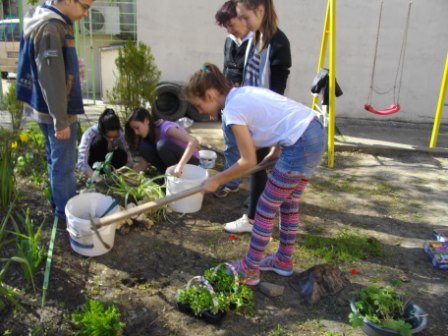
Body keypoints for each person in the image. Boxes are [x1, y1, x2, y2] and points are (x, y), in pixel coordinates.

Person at [184, 63, 326, 285]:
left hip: (301, 143)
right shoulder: (243, 93)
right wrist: (276, 151)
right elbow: (279, 115)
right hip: (314, 132)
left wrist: (216, 179)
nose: (199, 111)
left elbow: (248, 160)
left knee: (265, 207)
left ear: (210, 95)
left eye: (198, 105)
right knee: (288, 203)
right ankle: (283, 261)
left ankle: (249, 269)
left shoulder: (232, 111)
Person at [16, 0, 94, 221]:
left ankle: (60, 202)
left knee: (55, 160)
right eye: (85, 7)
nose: (86, 14)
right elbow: (51, 79)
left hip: (46, 109)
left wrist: (71, 69)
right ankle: (67, 213)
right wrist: (61, 121)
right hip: (58, 113)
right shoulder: (51, 27)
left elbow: (52, 69)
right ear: (68, 0)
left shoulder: (48, 22)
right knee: (64, 165)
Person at [224, 0, 292, 233]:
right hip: (252, 113)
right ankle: (259, 211)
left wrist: (274, 137)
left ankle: (254, 219)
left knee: (258, 163)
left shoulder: (279, 43)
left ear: (260, 11)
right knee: (259, 166)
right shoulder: (255, 38)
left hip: (265, 117)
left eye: (244, 17)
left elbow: (277, 95)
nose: (242, 23)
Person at [213, 0, 253, 199]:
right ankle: (232, 182)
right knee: (230, 144)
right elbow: (226, 68)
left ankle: (257, 193)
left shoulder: (256, 42)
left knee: (255, 149)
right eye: (226, 26)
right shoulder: (230, 39)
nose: (229, 29)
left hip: (250, 105)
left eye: (231, 24)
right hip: (230, 102)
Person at [126, 107, 200, 177]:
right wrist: (126, 173)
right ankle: (167, 176)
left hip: (190, 160)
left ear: (146, 121)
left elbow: (193, 141)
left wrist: (180, 166)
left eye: (137, 128)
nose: (136, 132)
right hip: (174, 165)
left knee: (162, 145)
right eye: (133, 129)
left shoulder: (166, 128)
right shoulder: (148, 137)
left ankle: (175, 177)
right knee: (143, 147)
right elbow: (143, 165)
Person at [77, 108, 133, 180]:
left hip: (108, 162)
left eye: (114, 137)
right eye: (109, 137)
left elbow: (129, 159)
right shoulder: (90, 133)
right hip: (93, 163)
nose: (111, 140)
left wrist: (122, 175)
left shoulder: (120, 134)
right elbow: (81, 162)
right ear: (102, 131)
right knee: (100, 142)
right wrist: (95, 178)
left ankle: (109, 175)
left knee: (122, 155)